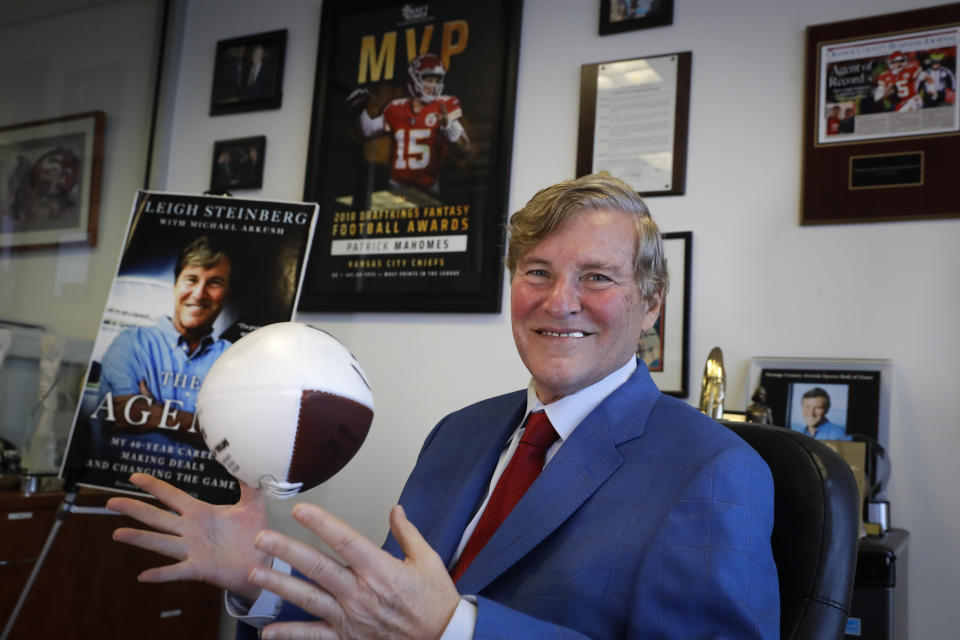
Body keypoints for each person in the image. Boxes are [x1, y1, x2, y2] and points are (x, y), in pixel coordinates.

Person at [107, 175, 779, 639]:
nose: (559, 301)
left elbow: (424, 621)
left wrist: (454, 630)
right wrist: (257, 572)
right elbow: (379, 613)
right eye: (537, 272)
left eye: (597, 277)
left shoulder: (714, 470)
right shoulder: (462, 433)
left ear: (651, 303)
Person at [95, 236, 233, 446]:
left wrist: (158, 415)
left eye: (214, 282)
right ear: (175, 285)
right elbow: (126, 420)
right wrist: (203, 427)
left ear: (226, 294)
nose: (199, 294)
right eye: (191, 279)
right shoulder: (129, 345)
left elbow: (235, 439)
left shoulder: (233, 360)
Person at [347, 52, 470, 194]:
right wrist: (359, 111)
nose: (434, 85)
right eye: (429, 80)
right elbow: (367, 131)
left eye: (437, 80)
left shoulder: (442, 108)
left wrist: (448, 127)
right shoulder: (396, 108)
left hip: (427, 191)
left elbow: (464, 147)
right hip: (396, 188)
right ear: (415, 77)